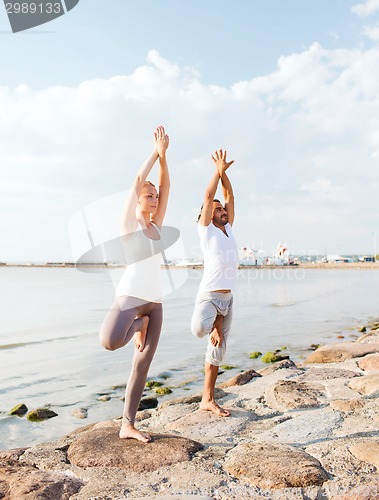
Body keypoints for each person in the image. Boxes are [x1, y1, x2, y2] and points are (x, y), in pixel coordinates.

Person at [99, 125, 170, 443]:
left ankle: (128, 424)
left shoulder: (157, 226)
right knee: (109, 342)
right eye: (149, 196)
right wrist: (154, 152)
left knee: (141, 366)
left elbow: (166, 188)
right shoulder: (129, 224)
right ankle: (138, 323)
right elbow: (135, 184)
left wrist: (165, 159)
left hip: (155, 303)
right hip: (129, 299)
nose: (154, 200)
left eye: (156, 197)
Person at [191, 149, 238, 417]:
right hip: (209, 297)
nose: (221, 210)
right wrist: (216, 171)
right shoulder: (206, 231)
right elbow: (209, 197)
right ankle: (216, 324)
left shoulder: (228, 229)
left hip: (227, 299)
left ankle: (207, 398)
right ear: (208, 215)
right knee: (200, 329)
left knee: (216, 351)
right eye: (217, 209)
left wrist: (225, 174)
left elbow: (229, 196)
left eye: (222, 209)